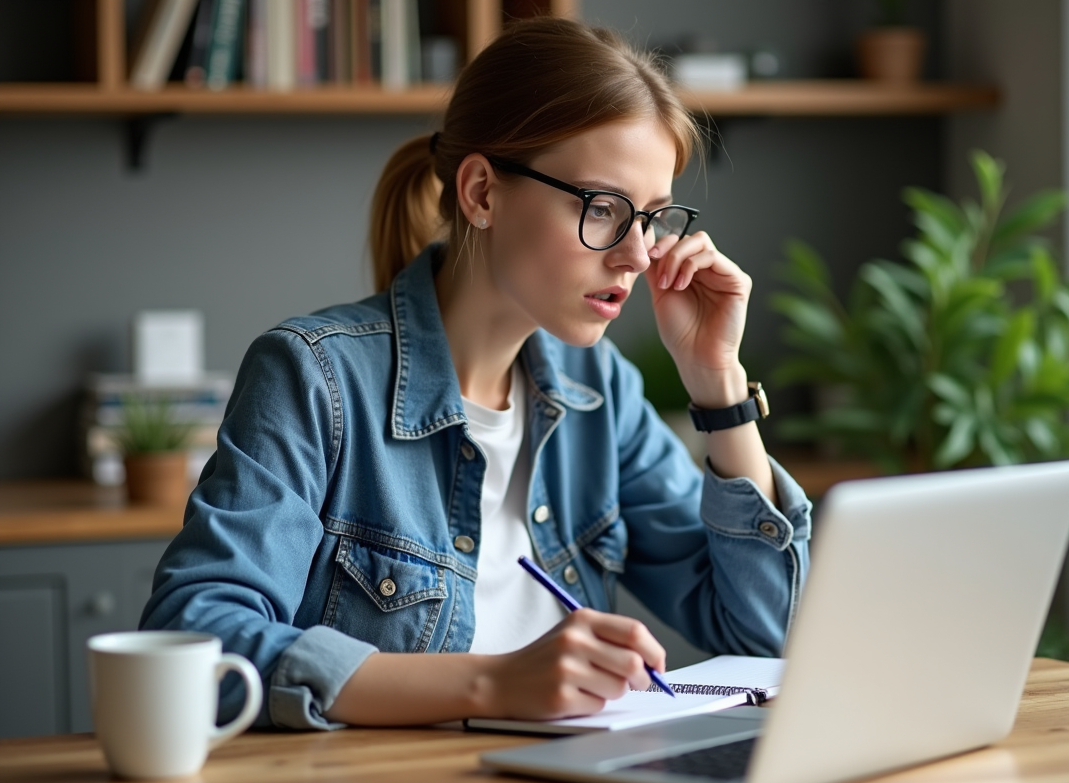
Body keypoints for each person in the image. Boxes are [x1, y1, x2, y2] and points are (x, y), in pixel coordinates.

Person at [141, 16, 811, 730]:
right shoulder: (315, 378)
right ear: (483, 193)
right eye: (603, 209)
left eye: (648, 218)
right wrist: (493, 684)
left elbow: (763, 638)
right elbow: (199, 641)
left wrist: (718, 386)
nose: (638, 256)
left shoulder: (599, 392)